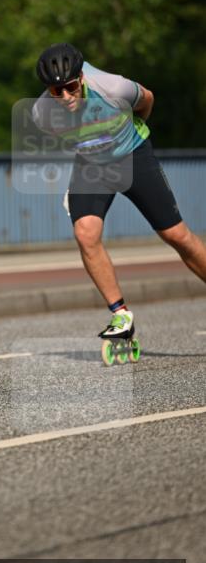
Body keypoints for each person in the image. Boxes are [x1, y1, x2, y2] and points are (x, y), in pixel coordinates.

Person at [31, 42, 206, 345]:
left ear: (81, 79)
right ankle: (121, 315)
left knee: (176, 235)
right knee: (85, 234)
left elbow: (146, 100)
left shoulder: (113, 87)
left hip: (133, 154)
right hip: (92, 165)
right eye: (56, 92)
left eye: (71, 87)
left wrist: (128, 131)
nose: (66, 97)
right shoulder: (42, 112)